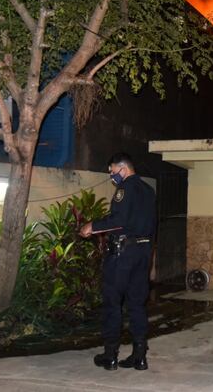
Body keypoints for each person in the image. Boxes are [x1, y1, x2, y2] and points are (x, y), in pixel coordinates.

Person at [80, 152, 156, 371]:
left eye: (112, 171)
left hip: (122, 255)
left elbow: (119, 220)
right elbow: (152, 224)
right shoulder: (148, 190)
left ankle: (110, 355)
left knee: (112, 303)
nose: (111, 175)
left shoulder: (125, 188)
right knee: (137, 305)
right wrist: (149, 253)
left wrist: (92, 226)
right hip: (143, 253)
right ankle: (139, 357)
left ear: (123, 168)